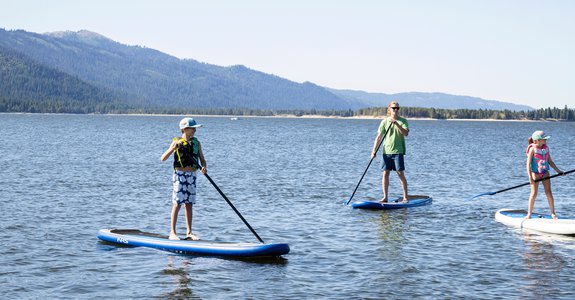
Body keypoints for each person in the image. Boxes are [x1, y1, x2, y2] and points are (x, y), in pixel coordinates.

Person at [161, 117, 207, 240]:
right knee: (177, 204)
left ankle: (189, 233)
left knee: (189, 204)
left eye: (195, 129)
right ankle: (172, 233)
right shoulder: (176, 141)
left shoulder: (197, 143)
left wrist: (204, 168)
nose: (195, 131)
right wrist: (173, 148)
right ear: (185, 129)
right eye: (193, 129)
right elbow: (163, 158)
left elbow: (202, 160)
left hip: (192, 176)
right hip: (180, 176)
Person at [371, 101, 410, 203]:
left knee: (400, 173)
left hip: (398, 151)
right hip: (386, 151)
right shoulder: (384, 122)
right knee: (385, 174)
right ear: (389, 109)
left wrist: (396, 123)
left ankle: (405, 197)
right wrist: (373, 151)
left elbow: (406, 133)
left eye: (397, 108)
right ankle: (385, 197)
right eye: (393, 108)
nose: (395, 110)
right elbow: (379, 137)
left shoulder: (403, 121)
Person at [525, 130, 563, 219]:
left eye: (545, 139)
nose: (545, 140)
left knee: (549, 192)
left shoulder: (546, 148)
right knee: (534, 193)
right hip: (535, 173)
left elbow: (550, 161)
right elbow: (528, 164)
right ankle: (529, 214)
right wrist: (530, 177)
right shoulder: (532, 149)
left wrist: (558, 171)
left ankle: (553, 213)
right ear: (536, 140)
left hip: (545, 173)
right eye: (543, 139)